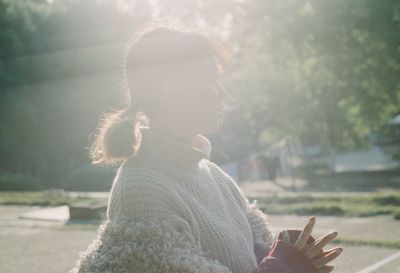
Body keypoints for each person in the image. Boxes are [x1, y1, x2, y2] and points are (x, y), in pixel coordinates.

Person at [68, 23, 342, 273]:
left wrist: (292, 254)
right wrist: (288, 266)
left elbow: (252, 262)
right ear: (173, 92)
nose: (222, 93)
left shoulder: (214, 175)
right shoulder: (141, 190)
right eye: (211, 79)